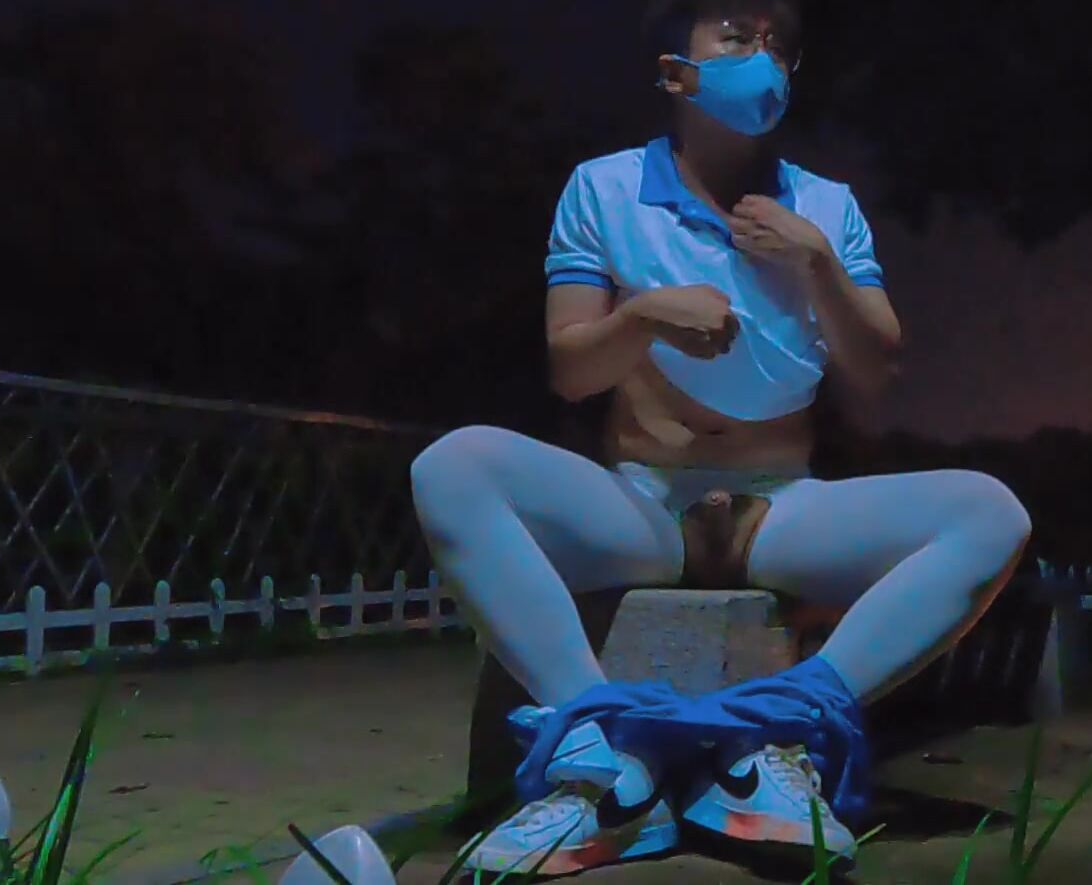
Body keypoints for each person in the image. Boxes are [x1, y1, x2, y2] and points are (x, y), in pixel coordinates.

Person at [408, 0, 1033, 875]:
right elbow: (572, 369)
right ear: (676, 71)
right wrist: (644, 319)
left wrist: (816, 262)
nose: (762, 58)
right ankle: (603, 755)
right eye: (736, 37)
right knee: (453, 465)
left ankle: (773, 738)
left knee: (991, 513)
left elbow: (874, 367)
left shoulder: (826, 206)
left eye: (778, 44)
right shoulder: (604, 187)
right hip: (641, 501)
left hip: (780, 510)